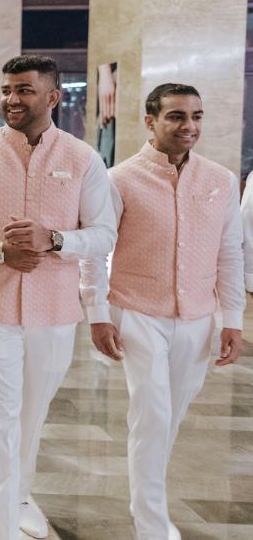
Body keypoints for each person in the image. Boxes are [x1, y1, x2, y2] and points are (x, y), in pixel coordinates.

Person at [0, 55, 117, 540]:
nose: (12, 99)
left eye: (24, 90)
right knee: (0, 418)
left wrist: (54, 240)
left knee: (32, 414)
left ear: (52, 96)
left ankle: (18, 496)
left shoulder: (83, 158)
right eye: (7, 90)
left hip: (55, 310)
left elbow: (104, 234)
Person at [82, 83, 243, 540]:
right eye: (176, 116)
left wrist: (232, 320)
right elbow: (94, 251)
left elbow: (230, 252)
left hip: (198, 317)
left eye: (196, 116)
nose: (188, 126)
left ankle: (148, 500)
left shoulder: (221, 180)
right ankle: (152, 525)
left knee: (170, 417)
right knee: (152, 412)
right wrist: (97, 313)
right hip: (137, 312)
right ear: (150, 121)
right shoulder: (119, 180)